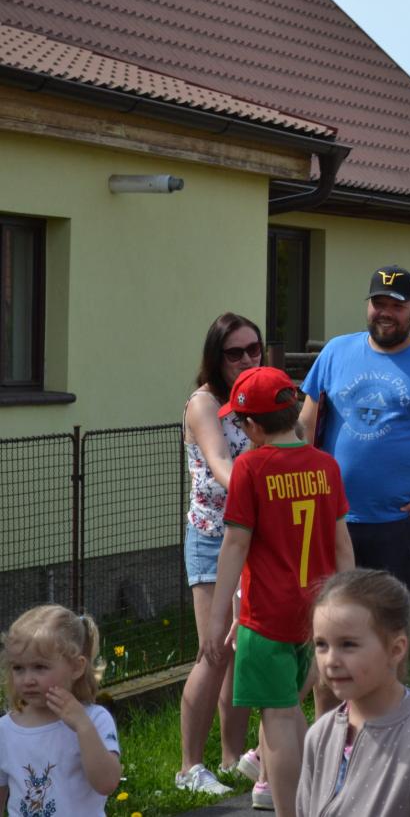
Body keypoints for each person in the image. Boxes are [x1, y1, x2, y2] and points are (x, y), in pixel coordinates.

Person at [201, 366, 355, 817]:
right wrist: (346, 608)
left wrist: (219, 617)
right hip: (316, 614)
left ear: (252, 426)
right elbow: (342, 545)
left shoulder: (250, 468)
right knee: (287, 711)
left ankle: (295, 810)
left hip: (267, 616)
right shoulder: (326, 465)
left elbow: (235, 544)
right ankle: (299, 797)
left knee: (280, 717)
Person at [300, 265, 410, 597]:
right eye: (379, 303)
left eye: (397, 306)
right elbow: (305, 425)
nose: (386, 313)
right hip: (334, 517)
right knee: (334, 613)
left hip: (401, 524)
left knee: (389, 618)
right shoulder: (335, 352)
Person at [299, 569, 410, 817]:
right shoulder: (319, 736)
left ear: (396, 649)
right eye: (321, 644)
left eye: (348, 644)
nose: (331, 660)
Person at [177, 313, 260, 795]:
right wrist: (266, 489)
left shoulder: (256, 398)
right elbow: (221, 464)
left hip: (251, 537)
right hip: (213, 537)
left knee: (241, 648)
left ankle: (231, 758)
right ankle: (189, 768)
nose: (247, 359)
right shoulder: (204, 403)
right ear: (216, 356)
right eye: (235, 353)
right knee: (214, 650)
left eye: (254, 349)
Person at [0, 605, 121, 816]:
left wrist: (83, 727)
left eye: (40, 667)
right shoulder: (5, 729)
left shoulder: (94, 719)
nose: (28, 680)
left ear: (76, 667)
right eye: (18, 668)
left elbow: (107, 783)